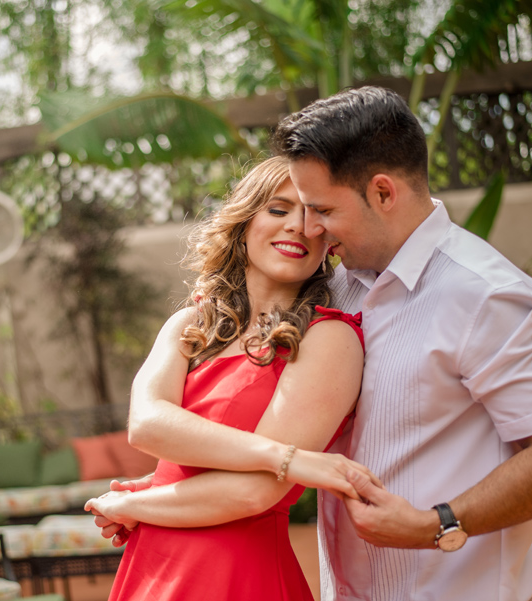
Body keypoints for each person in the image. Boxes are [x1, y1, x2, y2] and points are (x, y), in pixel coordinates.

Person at [91, 86, 532, 601]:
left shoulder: (488, 296)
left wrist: (436, 523)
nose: (309, 229)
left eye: (321, 209)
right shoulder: (338, 287)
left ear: (382, 193)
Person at [85, 155, 376, 600]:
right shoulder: (191, 324)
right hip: (150, 569)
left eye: (313, 216)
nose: (297, 226)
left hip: (238, 575)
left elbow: (251, 494)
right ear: (244, 222)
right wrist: (283, 456)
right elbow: (146, 425)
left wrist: (129, 505)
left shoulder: (329, 337)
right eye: (278, 210)